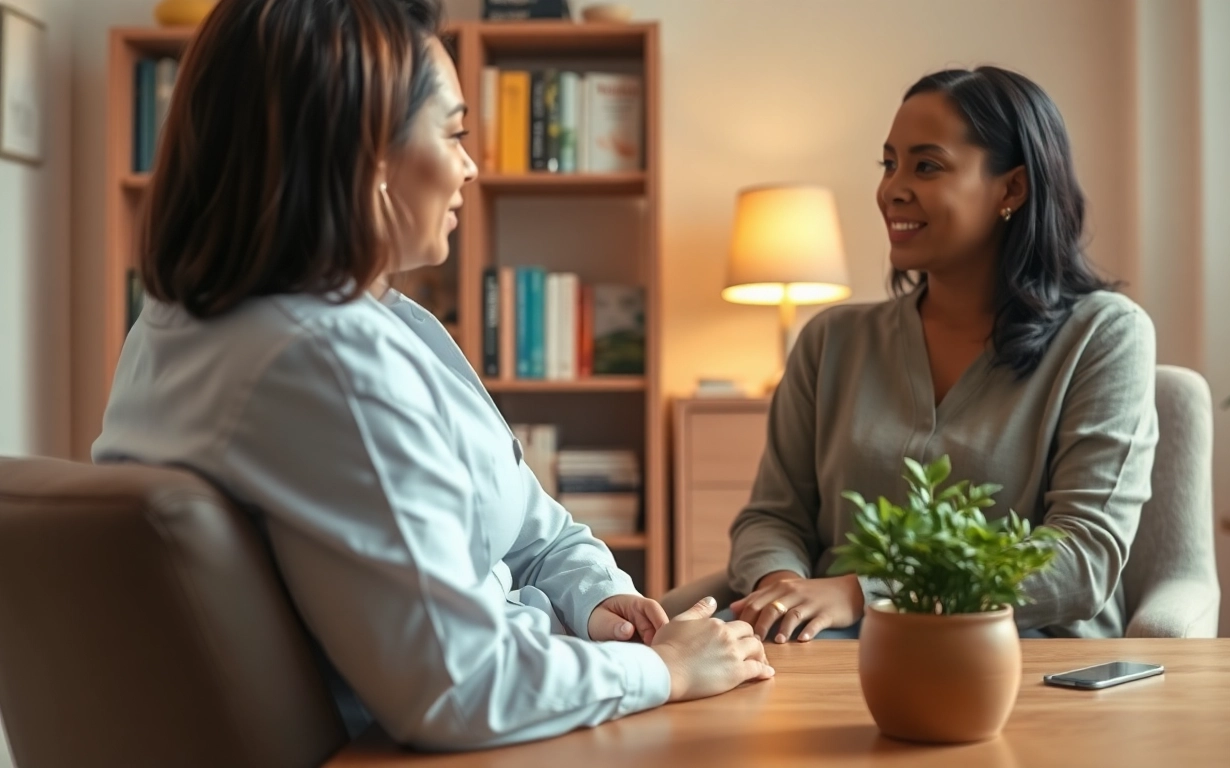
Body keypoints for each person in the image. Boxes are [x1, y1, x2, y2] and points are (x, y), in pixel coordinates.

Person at [92, 0, 772, 752]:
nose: (471, 166)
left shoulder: (211, 322)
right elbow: (463, 686)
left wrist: (596, 598)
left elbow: (535, 529)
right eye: (452, 133)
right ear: (368, 157)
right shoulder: (325, 361)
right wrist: (663, 671)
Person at [724, 66, 1158, 642]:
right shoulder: (831, 341)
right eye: (889, 164)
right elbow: (773, 517)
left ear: (1012, 189)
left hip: (1020, 656)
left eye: (926, 166)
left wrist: (862, 593)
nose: (892, 189)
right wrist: (785, 597)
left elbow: (1083, 560)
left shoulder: (1104, 336)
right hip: (825, 651)